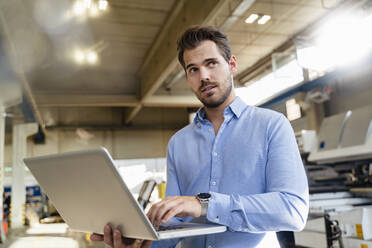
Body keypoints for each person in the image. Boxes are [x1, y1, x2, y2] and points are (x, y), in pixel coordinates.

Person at [91, 25, 309, 248]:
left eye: (211, 63)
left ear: (232, 64)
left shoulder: (271, 126)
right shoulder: (179, 143)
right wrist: (140, 242)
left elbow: (292, 210)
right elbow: (176, 224)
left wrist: (204, 205)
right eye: (193, 69)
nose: (203, 76)